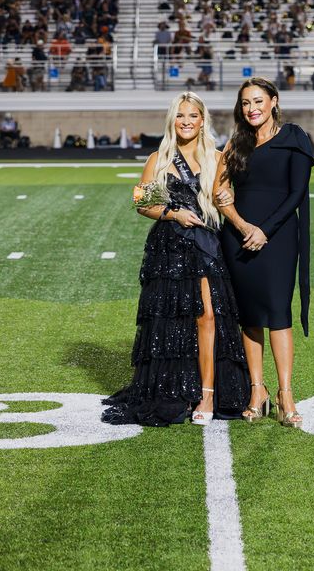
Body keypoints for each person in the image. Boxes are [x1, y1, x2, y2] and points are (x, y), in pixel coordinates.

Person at [102, 92, 250, 427]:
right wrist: (172, 213)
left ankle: (209, 393)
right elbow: (142, 204)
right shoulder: (158, 158)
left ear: (202, 120)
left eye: (193, 115)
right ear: (173, 120)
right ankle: (178, 389)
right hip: (169, 248)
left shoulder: (217, 157)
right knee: (172, 322)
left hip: (206, 245)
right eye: (180, 115)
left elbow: (224, 201)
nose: (186, 121)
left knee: (208, 317)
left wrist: (229, 197)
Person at [213, 77, 314, 427]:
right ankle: (258, 390)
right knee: (250, 314)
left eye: (258, 101)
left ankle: (286, 393)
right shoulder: (236, 143)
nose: (252, 109)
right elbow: (220, 192)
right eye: (245, 103)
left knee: (277, 312)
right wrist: (243, 226)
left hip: (279, 237)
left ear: (274, 101)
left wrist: (264, 230)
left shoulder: (294, 137)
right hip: (238, 237)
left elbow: (297, 193)